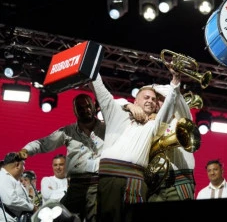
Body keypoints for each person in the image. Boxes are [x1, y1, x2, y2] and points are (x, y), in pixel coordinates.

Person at [90, 66, 182, 222]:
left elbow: (168, 108)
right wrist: (87, 58)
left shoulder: (154, 125)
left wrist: (175, 81)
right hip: (108, 178)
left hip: (135, 180)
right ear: (136, 100)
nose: (151, 101)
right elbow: (101, 91)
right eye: (146, 97)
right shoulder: (117, 114)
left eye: (153, 99)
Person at [18, 93, 105, 222]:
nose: (85, 110)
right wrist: (26, 150)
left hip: (97, 184)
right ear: (74, 111)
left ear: (93, 106)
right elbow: (44, 143)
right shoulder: (68, 132)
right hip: (75, 186)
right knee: (60, 217)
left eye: (87, 106)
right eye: (80, 108)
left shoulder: (106, 128)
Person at [145, 85, 198, 202]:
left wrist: (153, 86)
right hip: (155, 185)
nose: (159, 102)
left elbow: (174, 93)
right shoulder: (148, 122)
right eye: (156, 99)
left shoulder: (180, 119)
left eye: (162, 98)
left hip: (180, 181)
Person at [0, 152, 38, 222]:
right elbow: (10, 200)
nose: (24, 169)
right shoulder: (3, 176)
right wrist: (32, 207)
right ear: (17, 165)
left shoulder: (11, 178)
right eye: (23, 165)